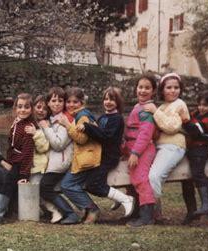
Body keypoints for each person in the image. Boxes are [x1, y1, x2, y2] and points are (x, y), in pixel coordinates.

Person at [78, 86, 135, 218]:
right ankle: (115, 195)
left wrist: (87, 127)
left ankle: (125, 199)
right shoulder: (103, 117)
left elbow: (106, 136)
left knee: (93, 184)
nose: (108, 102)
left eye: (112, 99)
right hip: (99, 156)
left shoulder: (117, 118)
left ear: (118, 102)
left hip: (109, 157)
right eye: (106, 99)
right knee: (90, 181)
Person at [0, 93, 36, 225]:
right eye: (20, 107)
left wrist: (24, 173)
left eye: (27, 107)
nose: (23, 110)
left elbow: (28, 152)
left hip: (21, 162)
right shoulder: (17, 122)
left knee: (7, 183)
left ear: (31, 109)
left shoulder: (28, 127)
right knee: (9, 184)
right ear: (15, 108)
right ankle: (6, 212)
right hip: (13, 160)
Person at [145, 73, 190, 224]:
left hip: (174, 146)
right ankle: (148, 211)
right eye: (169, 87)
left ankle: (155, 214)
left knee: (154, 176)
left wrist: (155, 112)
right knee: (144, 175)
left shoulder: (179, 104)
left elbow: (172, 127)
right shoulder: (163, 107)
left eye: (176, 87)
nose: (173, 91)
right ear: (162, 90)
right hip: (159, 146)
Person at [180, 90, 208, 225]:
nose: (201, 107)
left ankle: (207, 204)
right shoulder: (197, 113)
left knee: (198, 174)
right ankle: (195, 211)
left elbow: (196, 130)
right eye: (199, 104)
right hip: (191, 149)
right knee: (189, 177)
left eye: (205, 105)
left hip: (200, 149)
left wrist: (185, 121)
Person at [59, 87, 102, 224]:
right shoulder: (81, 114)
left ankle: (91, 208)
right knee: (69, 184)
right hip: (83, 157)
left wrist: (67, 125)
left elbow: (82, 139)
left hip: (87, 158)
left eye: (75, 102)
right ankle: (88, 209)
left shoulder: (82, 116)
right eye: (69, 102)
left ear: (82, 102)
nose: (71, 105)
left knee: (67, 185)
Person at [38, 87, 78, 224]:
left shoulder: (66, 119)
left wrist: (46, 128)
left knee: (44, 187)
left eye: (60, 100)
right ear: (48, 103)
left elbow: (59, 144)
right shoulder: (50, 118)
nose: (57, 104)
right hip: (51, 161)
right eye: (53, 100)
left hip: (60, 162)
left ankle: (69, 213)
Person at [124, 73, 158, 227]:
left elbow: (145, 133)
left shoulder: (147, 110)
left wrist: (135, 153)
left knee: (141, 180)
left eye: (147, 88)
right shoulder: (138, 107)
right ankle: (136, 212)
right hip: (133, 149)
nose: (143, 91)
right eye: (140, 87)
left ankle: (147, 217)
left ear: (154, 91)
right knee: (132, 181)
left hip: (142, 149)